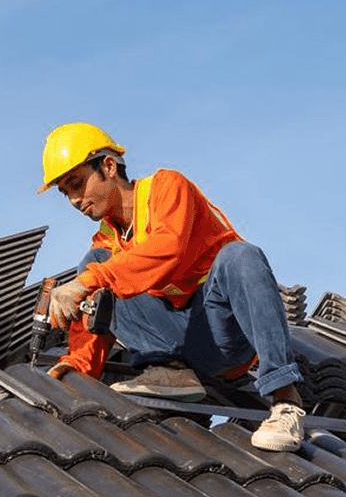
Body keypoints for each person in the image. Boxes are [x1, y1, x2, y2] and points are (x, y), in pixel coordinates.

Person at [36, 122, 309, 452]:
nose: (74, 200)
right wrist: (72, 371)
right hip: (175, 342)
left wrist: (86, 282)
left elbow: (170, 247)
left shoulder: (166, 188)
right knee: (95, 264)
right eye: (66, 193)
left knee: (241, 255)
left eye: (77, 184)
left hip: (221, 334)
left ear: (108, 166)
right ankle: (169, 372)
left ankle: (285, 401)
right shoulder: (106, 241)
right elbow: (98, 306)